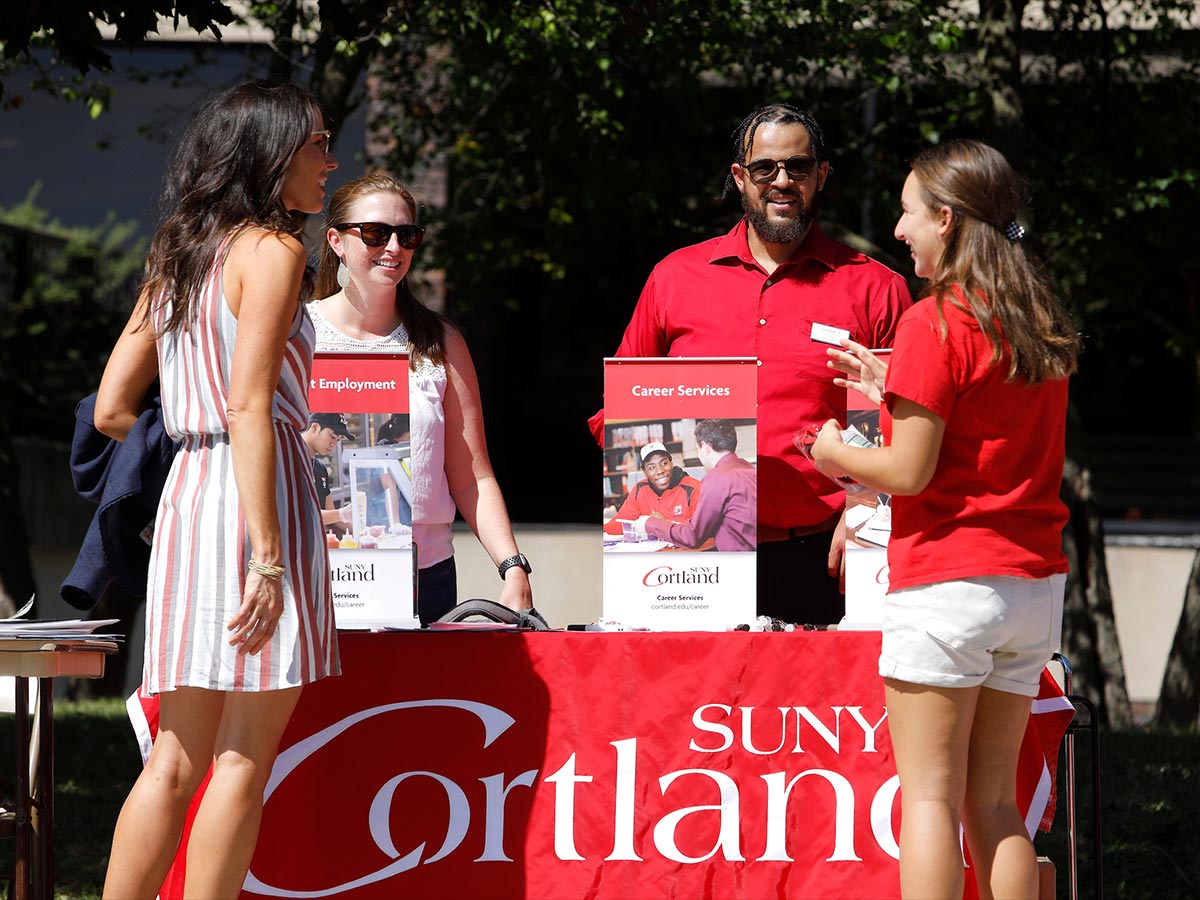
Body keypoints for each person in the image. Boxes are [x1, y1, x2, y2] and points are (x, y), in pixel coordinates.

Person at [810, 139, 1079, 899]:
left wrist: (835, 450)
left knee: (929, 800)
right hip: (1029, 587)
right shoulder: (1033, 320)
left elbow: (907, 471)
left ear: (949, 221)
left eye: (907, 213)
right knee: (996, 805)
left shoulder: (934, 321)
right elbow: (979, 426)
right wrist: (892, 380)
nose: (898, 231)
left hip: (948, 585)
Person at [92, 79, 341, 899]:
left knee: (175, 754)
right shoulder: (276, 250)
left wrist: (194, 446)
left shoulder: (178, 255)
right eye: (316, 145)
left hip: (192, 497)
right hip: (253, 499)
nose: (329, 163)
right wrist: (267, 555)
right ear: (271, 153)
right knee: (242, 753)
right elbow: (249, 402)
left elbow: (112, 409)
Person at [591, 103, 912, 624]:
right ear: (741, 178)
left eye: (798, 167)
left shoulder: (877, 289)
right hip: (692, 567)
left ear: (821, 176)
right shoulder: (674, 278)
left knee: (814, 707)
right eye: (764, 168)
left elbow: (910, 424)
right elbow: (617, 408)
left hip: (827, 555)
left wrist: (870, 511)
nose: (781, 181)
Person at [312, 172, 533, 624]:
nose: (393, 247)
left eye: (406, 235)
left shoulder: (439, 342)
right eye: (375, 233)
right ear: (336, 240)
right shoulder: (297, 335)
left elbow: (472, 475)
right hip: (314, 568)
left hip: (424, 575)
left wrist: (513, 567)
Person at [644, 419, 756, 552]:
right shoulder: (751, 471)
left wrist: (649, 523)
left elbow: (692, 537)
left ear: (705, 447)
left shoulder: (717, 479)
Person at [603, 441, 702, 535]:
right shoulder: (640, 489)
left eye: (664, 463)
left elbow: (701, 529)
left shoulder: (693, 488)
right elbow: (620, 523)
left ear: (671, 463)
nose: (660, 471)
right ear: (644, 471)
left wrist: (664, 524)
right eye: (651, 467)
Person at [302, 411, 354, 527]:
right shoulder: (290, 462)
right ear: (315, 428)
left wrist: (363, 532)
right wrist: (341, 514)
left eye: (338, 439)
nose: (333, 444)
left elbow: (333, 517)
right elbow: (300, 514)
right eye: (332, 436)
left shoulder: (320, 468)